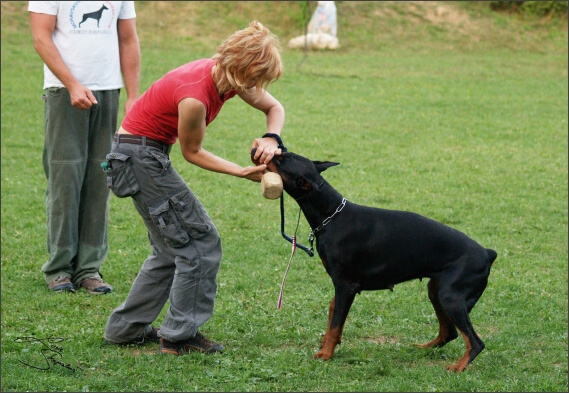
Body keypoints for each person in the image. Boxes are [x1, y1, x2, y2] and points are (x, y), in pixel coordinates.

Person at [103, 20, 285, 355]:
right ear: (243, 68)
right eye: (257, 77)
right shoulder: (195, 98)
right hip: (139, 157)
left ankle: (125, 329)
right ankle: (179, 336)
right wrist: (241, 171)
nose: (258, 86)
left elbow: (274, 108)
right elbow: (193, 152)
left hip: (142, 153)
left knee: (171, 250)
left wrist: (272, 137)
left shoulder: (227, 76)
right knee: (199, 241)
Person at [28, 1, 141, 295]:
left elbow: (128, 38)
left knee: (99, 178)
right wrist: (72, 84)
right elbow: (41, 37)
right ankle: (59, 268)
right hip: (64, 92)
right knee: (65, 181)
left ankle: (89, 269)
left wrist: (133, 96)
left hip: (108, 91)